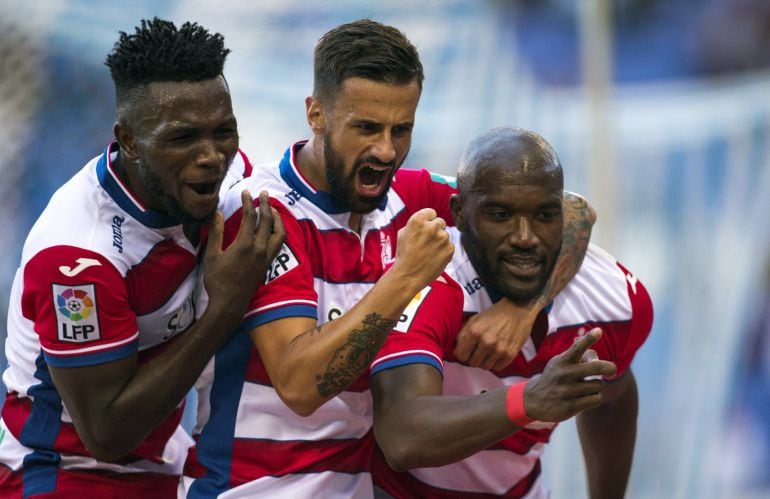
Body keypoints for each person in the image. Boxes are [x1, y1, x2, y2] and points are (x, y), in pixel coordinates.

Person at [183, 21, 595, 498]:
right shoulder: (261, 212)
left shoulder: (410, 195)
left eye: (402, 129)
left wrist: (523, 308)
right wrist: (405, 277)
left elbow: (573, 209)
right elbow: (300, 386)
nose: (385, 150)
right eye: (366, 128)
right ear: (316, 114)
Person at [0, 18, 283, 498]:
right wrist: (222, 310)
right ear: (128, 140)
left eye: (223, 132)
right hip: (63, 474)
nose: (212, 156)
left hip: (165, 473)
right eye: (183, 138)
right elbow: (106, 435)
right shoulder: (78, 257)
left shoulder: (233, 183)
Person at [369, 127, 654, 498]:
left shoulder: (613, 300)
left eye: (545, 215)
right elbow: (402, 437)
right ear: (458, 213)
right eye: (500, 215)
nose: (525, 236)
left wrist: (525, 305)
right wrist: (528, 400)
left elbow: (613, 396)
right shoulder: (431, 279)